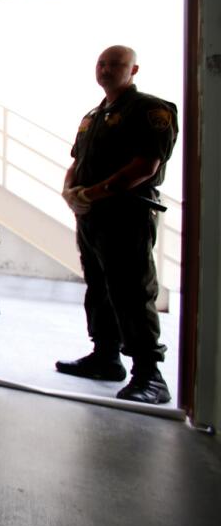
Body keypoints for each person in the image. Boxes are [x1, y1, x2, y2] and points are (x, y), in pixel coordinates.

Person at [57, 45, 178, 404]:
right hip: (92, 216)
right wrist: (70, 192)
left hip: (127, 215)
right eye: (102, 64)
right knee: (98, 286)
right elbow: (76, 161)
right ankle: (105, 357)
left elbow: (147, 166)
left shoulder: (151, 110)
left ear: (134, 70)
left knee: (132, 290)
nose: (106, 70)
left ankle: (150, 376)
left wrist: (92, 193)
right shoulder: (93, 116)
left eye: (115, 64)